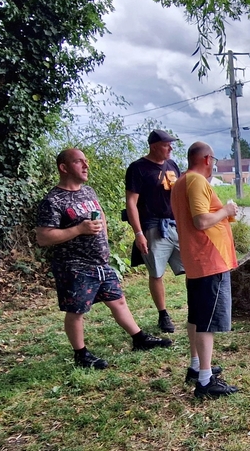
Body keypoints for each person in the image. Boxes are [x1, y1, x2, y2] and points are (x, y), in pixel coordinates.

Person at [36, 148, 172, 369]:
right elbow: (43, 237)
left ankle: (139, 339)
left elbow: (101, 216)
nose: (86, 165)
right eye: (79, 162)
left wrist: (104, 243)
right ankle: (81, 354)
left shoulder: (88, 192)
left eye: (86, 161)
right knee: (76, 311)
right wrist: (79, 229)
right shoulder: (53, 201)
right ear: (64, 167)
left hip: (100, 262)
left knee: (118, 300)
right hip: (74, 265)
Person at [171, 142, 241, 398]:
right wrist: (226, 210)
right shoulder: (197, 181)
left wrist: (221, 214)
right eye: (214, 160)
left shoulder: (181, 181)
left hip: (196, 258)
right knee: (207, 322)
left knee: (197, 316)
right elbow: (201, 221)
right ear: (207, 159)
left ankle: (196, 365)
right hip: (209, 258)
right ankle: (205, 380)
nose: (214, 165)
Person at [124, 130, 185, 333]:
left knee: (191, 267)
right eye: (166, 144)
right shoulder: (138, 168)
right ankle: (163, 314)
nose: (170, 148)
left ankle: (195, 306)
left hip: (175, 225)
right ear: (154, 146)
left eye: (170, 144)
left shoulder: (172, 165)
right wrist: (138, 233)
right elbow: (131, 203)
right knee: (156, 272)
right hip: (153, 226)